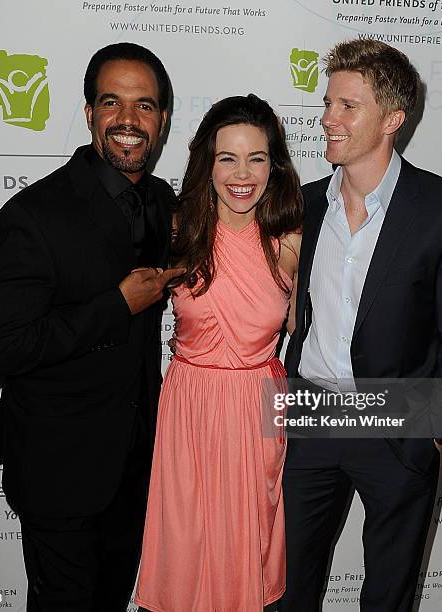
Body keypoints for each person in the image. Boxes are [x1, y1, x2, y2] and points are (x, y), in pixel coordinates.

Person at [280, 39, 442, 611]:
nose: (329, 118)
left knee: (387, 597)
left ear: (393, 119)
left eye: (349, 106)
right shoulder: (303, 206)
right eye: (328, 103)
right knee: (285, 588)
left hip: (397, 427)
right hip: (311, 421)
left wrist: (437, 432)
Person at [0, 43, 184, 612]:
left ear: (162, 120)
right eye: (111, 102)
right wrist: (118, 303)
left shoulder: (164, 202)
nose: (128, 120)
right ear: (89, 112)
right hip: (57, 470)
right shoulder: (33, 215)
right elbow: (6, 349)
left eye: (145, 106)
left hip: (136, 466)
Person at [134, 94, 303, 612]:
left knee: (247, 542)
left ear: (274, 165)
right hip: (189, 408)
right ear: (206, 162)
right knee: (185, 547)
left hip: (258, 408)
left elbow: (307, 328)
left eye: (256, 158)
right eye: (227, 157)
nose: (242, 174)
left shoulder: (290, 236)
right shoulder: (176, 229)